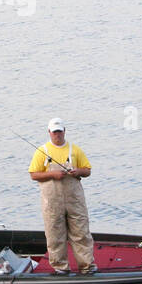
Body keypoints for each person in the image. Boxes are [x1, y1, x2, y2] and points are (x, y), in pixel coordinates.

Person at [27, 118, 96, 275]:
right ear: (49, 132)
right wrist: (53, 174)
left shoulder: (75, 150)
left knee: (81, 232)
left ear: (64, 131)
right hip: (52, 201)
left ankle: (87, 266)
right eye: (54, 132)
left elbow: (87, 170)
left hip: (74, 199)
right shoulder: (41, 151)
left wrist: (78, 171)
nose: (57, 135)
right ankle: (60, 267)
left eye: (59, 131)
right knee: (54, 233)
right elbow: (33, 174)